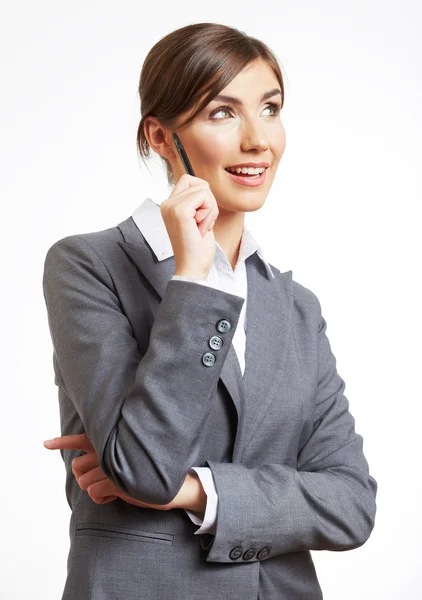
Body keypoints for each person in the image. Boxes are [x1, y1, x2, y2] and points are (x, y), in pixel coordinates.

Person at [42, 21, 377, 600]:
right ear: (161, 136)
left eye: (270, 108)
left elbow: (351, 504)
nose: (258, 140)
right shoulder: (88, 265)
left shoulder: (295, 308)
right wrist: (192, 278)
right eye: (222, 112)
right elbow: (144, 468)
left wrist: (198, 490)